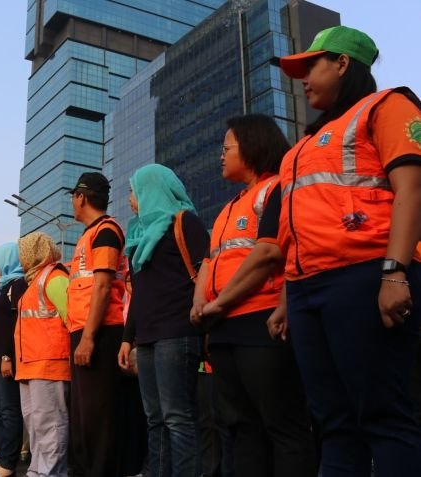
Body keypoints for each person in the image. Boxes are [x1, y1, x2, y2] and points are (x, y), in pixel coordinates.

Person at [275, 26, 421, 475]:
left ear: (342, 63)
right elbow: (292, 232)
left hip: (365, 275)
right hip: (306, 290)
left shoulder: (387, 105)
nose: (302, 78)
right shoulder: (298, 148)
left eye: (312, 65)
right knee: (333, 425)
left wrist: (394, 273)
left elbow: (412, 188)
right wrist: (286, 300)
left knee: (387, 417)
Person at [188, 114, 317, 476]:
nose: (221, 155)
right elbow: (210, 263)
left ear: (252, 145)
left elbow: (269, 254)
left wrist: (218, 302)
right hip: (224, 328)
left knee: (282, 424)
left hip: (262, 323)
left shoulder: (276, 189)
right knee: (241, 427)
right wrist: (201, 303)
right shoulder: (229, 208)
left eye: (227, 147)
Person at [116, 164, 207, 477]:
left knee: (177, 417)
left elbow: (205, 272)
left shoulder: (185, 222)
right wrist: (128, 339)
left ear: (153, 189)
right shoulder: (138, 236)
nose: (130, 198)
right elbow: (138, 294)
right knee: (154, 418)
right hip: (148, 338)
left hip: (178, 332)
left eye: (135, 191)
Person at [66, 172, 129, 477]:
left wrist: (89, 338)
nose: (72, 202)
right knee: (81, 415)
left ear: (82, 197)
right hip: (82, 330)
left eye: (73, 196)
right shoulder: (89, 234)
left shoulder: (106, 231)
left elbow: (103, 287)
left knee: (98, 415)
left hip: (100, 333)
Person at [15, 232, 71, 477]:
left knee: (51, 424)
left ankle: (50, 473)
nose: (22, 259)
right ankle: (37, 471)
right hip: (29, 364)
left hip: (49, 363)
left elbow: (73, 318)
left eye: (25, 253)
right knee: (36, 425)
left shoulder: (55, 278)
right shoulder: (34, 281)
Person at [0, 242, 28, 477]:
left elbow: (14, 325)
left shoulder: (18, 285)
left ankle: (8, 462)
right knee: (0, 412)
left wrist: (6, 356)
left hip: (7, 359)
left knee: (10, 411)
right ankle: (2, 458)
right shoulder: (3, 287)